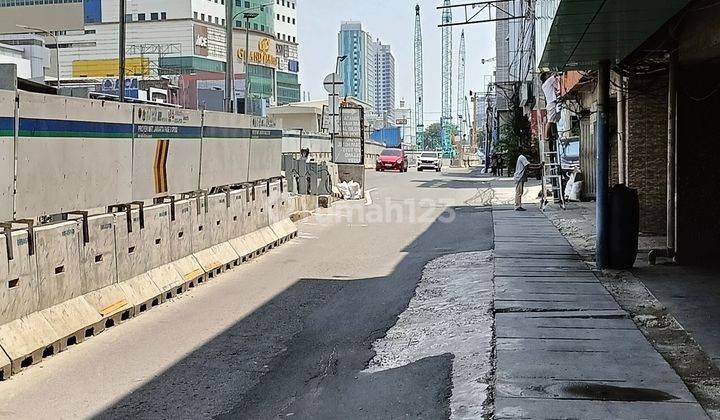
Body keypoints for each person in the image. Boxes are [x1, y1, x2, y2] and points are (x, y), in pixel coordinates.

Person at [541, 72, 561, 146]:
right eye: (547, 74)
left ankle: (552, 134)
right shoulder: (548, 81)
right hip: (551, 103)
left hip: (551, 103)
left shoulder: (545, 85)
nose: (548, 75)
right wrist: (555, 73)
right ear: (545, 77)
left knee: (553, 120)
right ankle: (546, 136)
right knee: (550, 120)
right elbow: (554, 75)